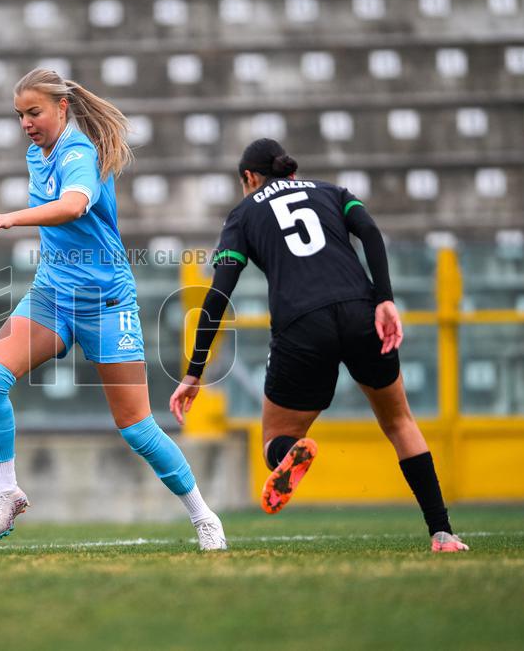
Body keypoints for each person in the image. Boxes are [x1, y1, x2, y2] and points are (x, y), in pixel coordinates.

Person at [169, 138, 469, 553]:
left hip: (302, 324)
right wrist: (384, 298)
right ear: (289, 171)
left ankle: (291, 451)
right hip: (361, 311)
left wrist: (194, 372)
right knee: (400, 422)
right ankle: (442, 533)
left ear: (249, 178)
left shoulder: (243, 214)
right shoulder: (333, 192)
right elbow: (370, 231)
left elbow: (219, 293)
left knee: (275, 435)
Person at [0, 68, 226, 549]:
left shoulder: (78, 151)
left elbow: (74, 205)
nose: (26, 123)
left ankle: (204, 517)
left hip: (106, 304)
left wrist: (10, 218)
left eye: (34, 112)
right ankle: (9, 491)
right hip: (51, 296)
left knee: (137, 428)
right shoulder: (36, 153)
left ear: (61, 108)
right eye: (20, 115)